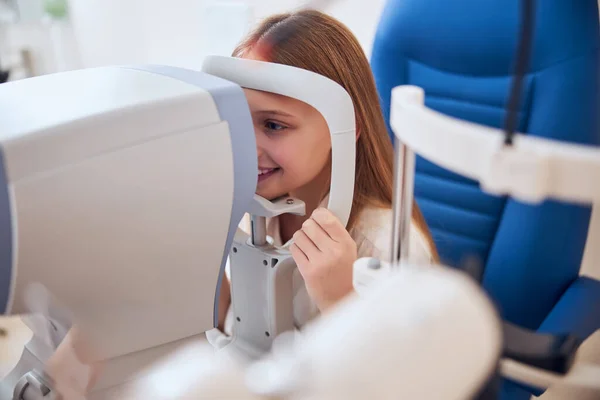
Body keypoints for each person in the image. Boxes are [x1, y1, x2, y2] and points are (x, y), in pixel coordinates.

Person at [217, 9, 439, 334]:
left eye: (274, 125)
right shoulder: (260, 212)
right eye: (237, 119)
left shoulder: (384, 248)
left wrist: (340, 300)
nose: (246, 147)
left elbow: (394, 380)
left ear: (346, 127)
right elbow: (235, 331)